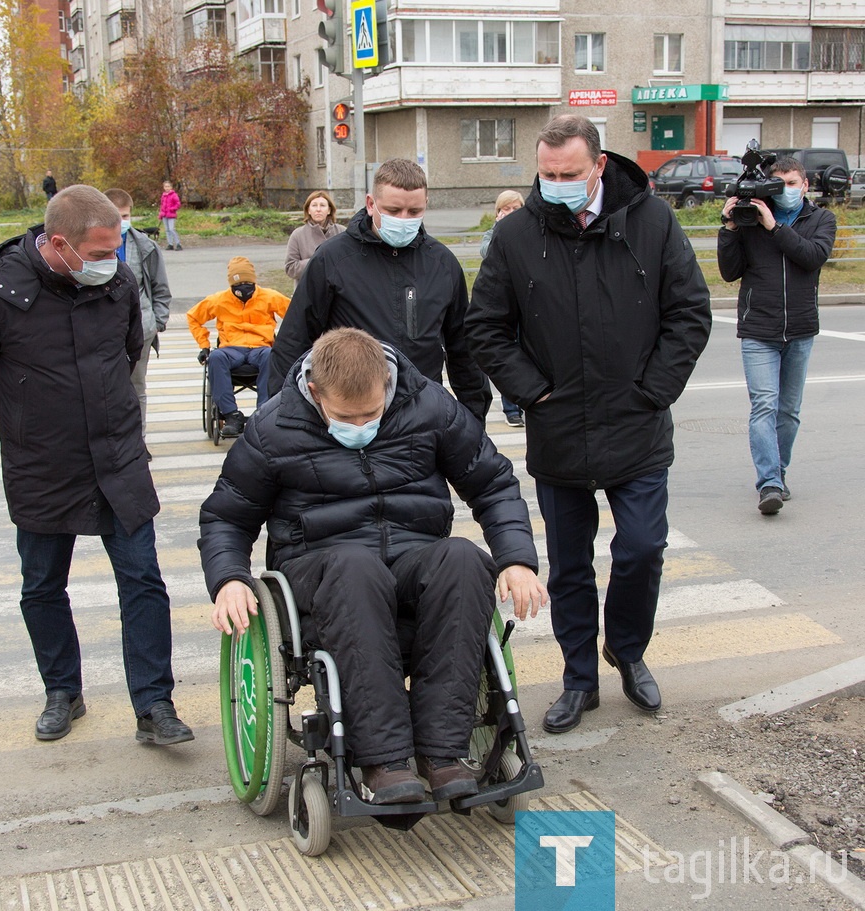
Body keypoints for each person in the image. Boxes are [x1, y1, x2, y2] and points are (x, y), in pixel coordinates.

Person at [200, 328, 547, 804]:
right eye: (346, 417)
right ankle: (383, 760)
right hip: (320, 566)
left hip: (411, 558)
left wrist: (517, 560)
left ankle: (442, 754)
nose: (362, 425)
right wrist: (228, 579)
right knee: (355, 566)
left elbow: (492, 484)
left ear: (387, 383)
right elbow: (226, 515)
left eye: (373, 413)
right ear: (316, 393)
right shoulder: (273, 427)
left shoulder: (431, 406)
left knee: (465, 559)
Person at [467, 115, 711, 734]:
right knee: (569, 566)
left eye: (568, 174)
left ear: (598, 166)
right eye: (546, 174)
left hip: (637, 426)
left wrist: (654, 391)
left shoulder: (651, 222)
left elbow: (689, 313)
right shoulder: (518, 235)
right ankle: (580, 678)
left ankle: (626, 651)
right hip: (559, 430)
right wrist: (533, 391)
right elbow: (485, 328)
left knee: (643, 548)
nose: (555, 184)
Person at [0, 185, 193, 747]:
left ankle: (154, 704)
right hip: (42, 464)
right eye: (102, 253)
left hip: (119, 457)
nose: (114, 263)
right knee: (42, 585)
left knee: (144, 581)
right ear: (59, 245)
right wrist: (25, 416)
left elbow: (130, 351)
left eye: (117, 252)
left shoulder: (119, 283)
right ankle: (63, 692)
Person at [268, 158, 491, 423]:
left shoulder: (442, 264)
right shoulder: (333, 259)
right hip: (353, 416)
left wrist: (474, 417)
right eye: (394, 210)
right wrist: (281, 418)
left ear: (426, 205)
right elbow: (294, 340)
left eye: (414, 211)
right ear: (371, 204)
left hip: (421, 414)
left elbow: (463, 349)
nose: (404, 219)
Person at [718, 155, 836, 516]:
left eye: (792, 182)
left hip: (800, 329)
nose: (786, 189)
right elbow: (728, 272)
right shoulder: (750, 221)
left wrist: (775, 228)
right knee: (765, 405)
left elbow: (812, 256)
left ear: (805, 185)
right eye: (778, 182)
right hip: (758, 329)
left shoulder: (820, 219)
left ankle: (778, 473)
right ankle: (768, 483)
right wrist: (729, 228)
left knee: (788, 412)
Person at [104, 188, 173, 458]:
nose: (121, 221)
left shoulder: (145, 246)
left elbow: (160, 288)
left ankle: (137, 443)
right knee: (106, 390)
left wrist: (157, 322)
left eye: (125, 216)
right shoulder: (91, 245)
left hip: (140, 330)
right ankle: (110, 443)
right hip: (103, 331)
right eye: (115, 216)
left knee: (136, 387)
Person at [187, 256, 290, 437]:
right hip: (231, 349)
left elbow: (294, 314)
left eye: (247, 282)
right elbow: (193, 317)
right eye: (238, 283)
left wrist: (285, 344)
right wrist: (204, 345)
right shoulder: (219, 300)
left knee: (271, 356)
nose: (243, 287)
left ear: (254, 281)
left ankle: (264, 412)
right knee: (216, 358)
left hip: (260, 347)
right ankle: (231, 414)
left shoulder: (269, 297)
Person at [479, 190, 526, 428]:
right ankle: (511, 409)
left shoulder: (531, 235)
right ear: (498, 213)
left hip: (528, 308)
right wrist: (501, 231)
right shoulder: (492, 235)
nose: (510, 213)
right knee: (510, 355)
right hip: (505, 308)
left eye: (516, 209)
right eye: (505, 209)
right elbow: (489, 254)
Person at [284, 190, 346, 287]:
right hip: (308, 293)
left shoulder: (342, 233)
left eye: (322, 205)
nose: (318, 209)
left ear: (329, 210)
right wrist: (317, 262)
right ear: (308, 210)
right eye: (314, 205)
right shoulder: (298, 235)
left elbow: (351, 263)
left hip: (337, 293)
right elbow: (290, 268)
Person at [159, 180, 182, 251]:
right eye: (165, 186)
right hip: (164, 215)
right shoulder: (163, 195)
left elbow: (178, 204)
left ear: (171, 187)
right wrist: (161, 214)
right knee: (167, 230)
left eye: (168, 186)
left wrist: (172, 209)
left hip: (171, 214)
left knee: (172, 229)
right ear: (163, 187)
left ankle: (178, 244)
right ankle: (170, 244)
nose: (167, 188)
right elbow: (162, 205)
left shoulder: (174, 195)